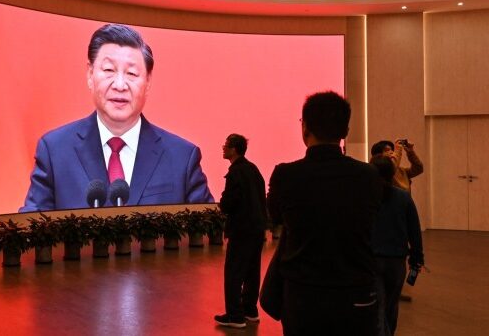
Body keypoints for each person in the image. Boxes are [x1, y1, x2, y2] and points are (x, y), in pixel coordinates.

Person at [20, 24, 213, 211]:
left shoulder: (182, 158)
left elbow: (208, 232)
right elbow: (31, 230)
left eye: (131, 73)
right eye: (109, 70)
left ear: (148, 82)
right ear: (90, 74)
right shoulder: (55, 151)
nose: (120, 85)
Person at [267, 91, 383, 336]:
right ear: (346, 131)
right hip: (356, 293)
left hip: (303, 295)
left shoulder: (286, 176)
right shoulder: (369, 176)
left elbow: (275, 217)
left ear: (305, 127)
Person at [214, 134, 267, 329]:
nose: (223, 148)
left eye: (226, 145)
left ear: (234, 149)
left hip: (241, 229)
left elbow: (229, 202)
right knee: (252, 270)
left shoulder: (236, 172)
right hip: (256, 229)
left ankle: (235, 316)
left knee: (234, 272)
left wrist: (223, 203)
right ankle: (250, 310)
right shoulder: (253, 169)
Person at [369, 155, 424, 336]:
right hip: (396, 261)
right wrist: (417, 259)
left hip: (372, 260)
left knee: (377, 305)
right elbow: (414, 231)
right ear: (393, 173)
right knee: (391, 306)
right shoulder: (403, 198)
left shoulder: (366, 198)